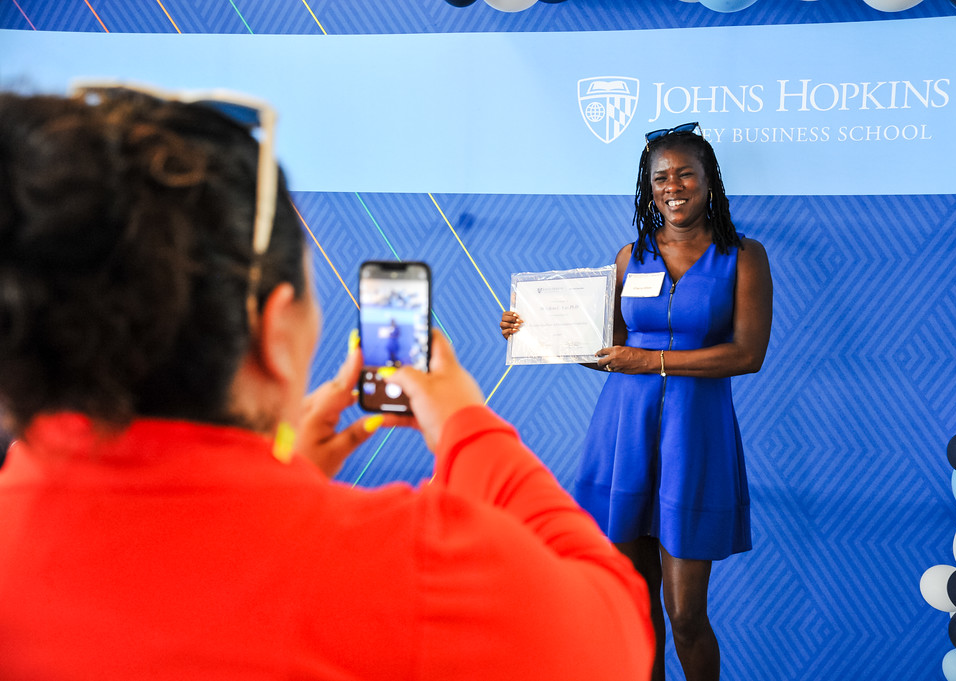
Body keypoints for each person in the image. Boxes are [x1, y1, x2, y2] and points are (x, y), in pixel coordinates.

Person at [0, 86, 654, 680]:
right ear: (274, 330)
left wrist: (274, 486)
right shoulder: (407, 568)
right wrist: (469, 427)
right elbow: (615, 631)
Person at [500, 122, 772, 681]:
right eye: (661, 178)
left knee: (685, 614)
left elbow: (748, 355)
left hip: (695, 439)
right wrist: (534, 333)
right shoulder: (632, 256)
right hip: (624, 435)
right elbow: (607, 349)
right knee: (632, 607)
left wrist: (652, 362)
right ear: (650, 188)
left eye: (685, 174)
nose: (674, 186)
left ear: (709, 182)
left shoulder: (744, 256)